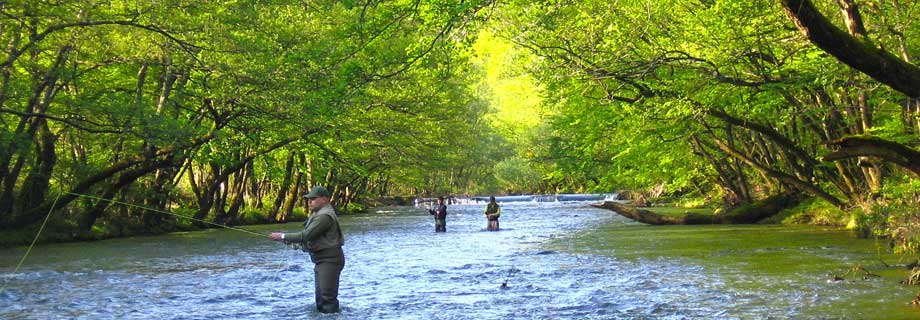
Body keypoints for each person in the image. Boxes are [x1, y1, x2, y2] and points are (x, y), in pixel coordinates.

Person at [269, 185, 345, 314]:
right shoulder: (319, 214)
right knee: (321, 300)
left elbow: (305, 236)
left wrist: (282, 236)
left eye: (313, 199)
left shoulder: (324, 216)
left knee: (327, 299)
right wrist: (290, 241)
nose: (310, 202)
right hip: (322, 260)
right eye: (309, 199)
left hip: (329, 261)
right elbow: (312, 239)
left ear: (325, 199)